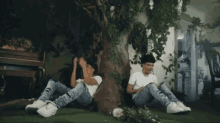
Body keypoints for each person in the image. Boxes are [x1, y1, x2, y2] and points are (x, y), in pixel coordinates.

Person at [25, 57, 102, 117]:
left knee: (81, 85)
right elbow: (72, 84)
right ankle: (40, 102)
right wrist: (75, 65)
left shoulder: (98, 78)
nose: (85, 68)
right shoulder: (81, 80)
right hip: (74, 100)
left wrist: (83, 65)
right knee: (53, 82)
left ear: (93, 69)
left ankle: (53, 106)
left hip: (86, 100)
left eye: (87, 66)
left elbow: (87, 81)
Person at [126, 54, 191, 114]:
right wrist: (139, 89)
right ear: (143, 65)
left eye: (152, 65)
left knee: (161, 85)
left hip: (150, 103)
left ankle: (177, 103)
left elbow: (157, 92)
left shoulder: (153, 77)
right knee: (151, 85)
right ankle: (169, 105)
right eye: (148, 65)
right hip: (139, 100)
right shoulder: (136, 75)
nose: (151, 68)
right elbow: (128, 90)